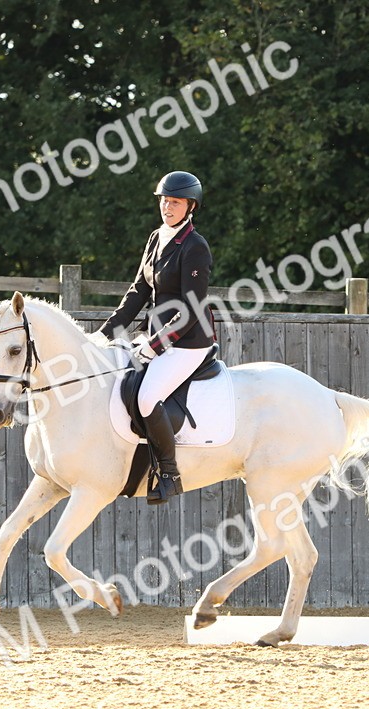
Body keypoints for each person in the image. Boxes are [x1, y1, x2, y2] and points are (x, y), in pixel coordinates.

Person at [97, 170, 216, 505]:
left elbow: (192, 309)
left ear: (190, 206)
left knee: (148, 398)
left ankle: (169, 473)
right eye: (164, 200)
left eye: (175, 202)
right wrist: (103, 335)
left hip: (189, 342)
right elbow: (137, 292)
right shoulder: (156, 238)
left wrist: (155, 344)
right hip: (157, 336)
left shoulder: (195, 247)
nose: (167, 206)